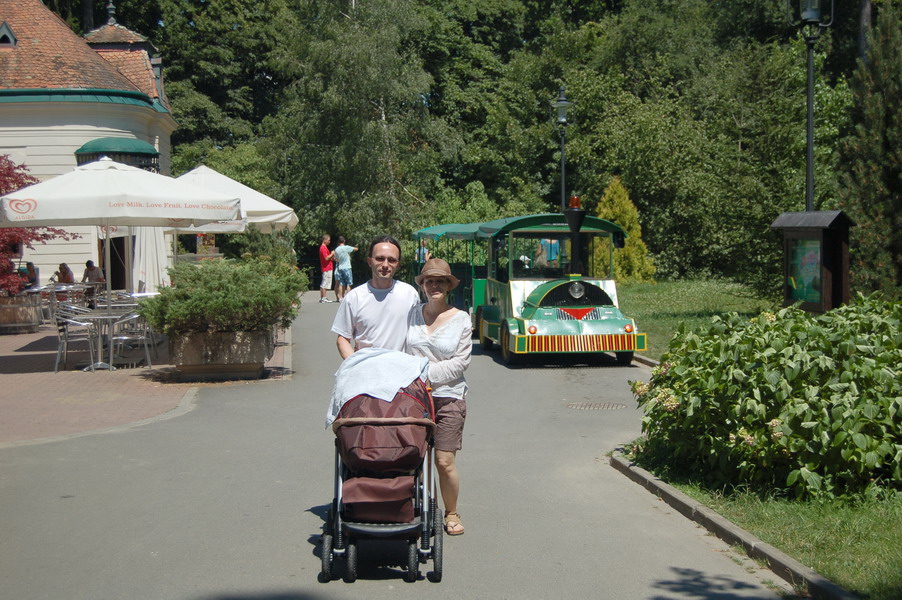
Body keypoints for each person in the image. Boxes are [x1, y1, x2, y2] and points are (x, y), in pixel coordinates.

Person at [406, 258, 472, 536]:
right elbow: (401, 350)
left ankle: (451, 512)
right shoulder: (411, 314)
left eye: (440, 281)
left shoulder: (461, 318)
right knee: (411, 460)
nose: (435, 285)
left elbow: (460, 363)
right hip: (413, 397)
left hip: (449, 398)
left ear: (448, 286)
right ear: (422, 285)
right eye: (429, 281)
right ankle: (412, 508)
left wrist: (422, 374)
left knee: (444, 462)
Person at [331, 235, 420, 359]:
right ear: (370, 261)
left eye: (392, 260)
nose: (385, 264)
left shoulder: (410, 294)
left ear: (398, 264)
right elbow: (343, 338)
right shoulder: (354, 298)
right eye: (380, 258)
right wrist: (355, 364)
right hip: (367, 368)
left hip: (402, 368)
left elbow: (418, 335)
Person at [332, 236, 358, 301]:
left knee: (341, 283)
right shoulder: (346, 247)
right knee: (349, 283)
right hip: (347, 267)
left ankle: (340, 297)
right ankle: (348, 297)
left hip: (340, 267)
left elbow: (336, 259)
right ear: (344, 241)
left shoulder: (336, 249)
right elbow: (356, 249)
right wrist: (356, 245)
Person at [319, 234, 335, 303]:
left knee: (326, 282)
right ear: (325, 240)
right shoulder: (323, 248)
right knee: (325, 282)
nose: (329, 241)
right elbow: (326, 258)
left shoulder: (324, 247)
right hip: (326, 268)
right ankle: (323, 298)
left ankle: (323, 297)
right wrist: (332, 254)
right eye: (328, 240)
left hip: (328, 267)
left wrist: (331, 257)